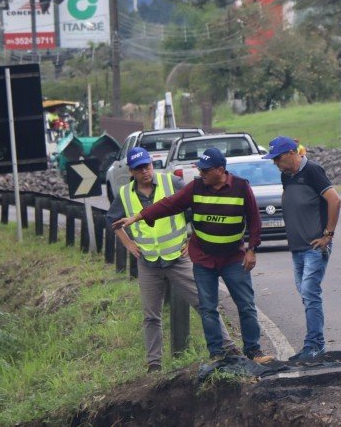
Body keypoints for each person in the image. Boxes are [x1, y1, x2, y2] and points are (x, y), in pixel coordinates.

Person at [112, 147, 273, 364]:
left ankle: (252, 352)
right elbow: (169, 205)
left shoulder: (241, 187)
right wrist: (138, 218)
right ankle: (217, 355)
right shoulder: (196, 186)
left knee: (244, 305)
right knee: (206, 308)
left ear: (220, 170)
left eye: (205, 171)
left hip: (231, 258)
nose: (201, 174)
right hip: (199, 259)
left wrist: (252, 249)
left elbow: (254, 220)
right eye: (200, 170)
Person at [264, 136, 341, 361]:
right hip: (297, 246)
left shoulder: (313, 171)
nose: (275, 163)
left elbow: (334, 200)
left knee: (310, 291)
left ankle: (314, 345)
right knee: (306, 294)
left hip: (315, 245)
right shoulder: (286, 175)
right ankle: (316, 344)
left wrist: (328, 234)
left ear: (291, 153)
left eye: (278, 158)